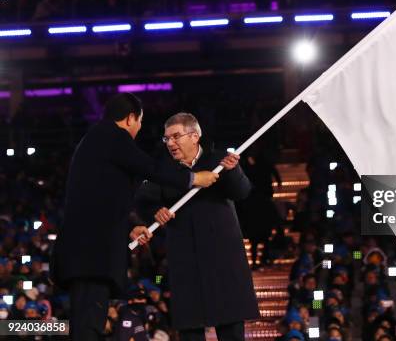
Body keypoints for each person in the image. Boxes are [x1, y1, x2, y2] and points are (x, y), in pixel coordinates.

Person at [51, 94, 218, 341]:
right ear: (131, 118)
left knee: (87, 325)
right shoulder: (112, 136)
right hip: (91, 258)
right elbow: (149, 166)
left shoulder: (97, 142)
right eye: (139, 122)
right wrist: (193, 178)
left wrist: (130, 227)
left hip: (86, 255)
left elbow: (104, 199)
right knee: (88, 328)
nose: (139, 129)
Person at [136, 112, 259, 341]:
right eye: (166, 139)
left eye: (175, 137)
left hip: (224, 257)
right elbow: (143, 200)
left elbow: (242, 192)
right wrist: (155, 211)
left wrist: (233, 171)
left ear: (194, 136)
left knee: (231, 325)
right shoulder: (162, 170)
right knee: (190, 329)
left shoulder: (220, 161)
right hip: (186, 259)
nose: (170, 143)